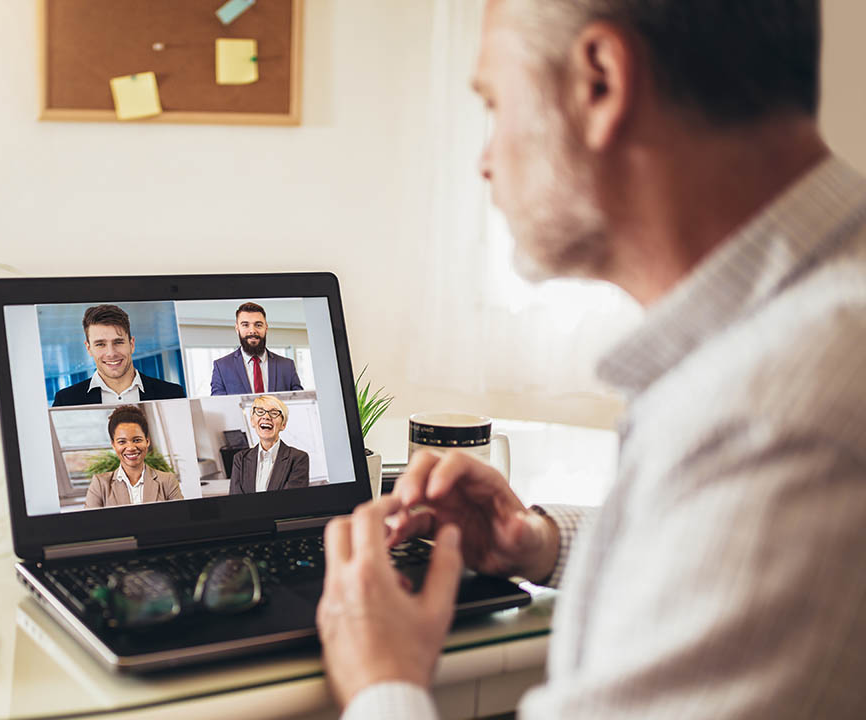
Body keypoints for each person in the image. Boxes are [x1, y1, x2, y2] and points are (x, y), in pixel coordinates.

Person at [318, 1, 866, 718]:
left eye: (496, 104)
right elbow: (714, 554)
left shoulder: (774, 418)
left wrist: (380, 679)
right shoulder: (799, 336)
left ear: (601, 82)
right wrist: (540, 544)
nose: (485, 160)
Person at [52, 304, 186, 406]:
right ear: (89, 349)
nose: (111, 353)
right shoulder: (66, 400)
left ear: (131, 344)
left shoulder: (172, 394)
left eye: (118, 342)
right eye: (100, 344)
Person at [84, 405, 183, 509]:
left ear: (147, 441)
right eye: (122, 442)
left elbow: (181, 519)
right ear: (113, 445)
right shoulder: (100, 484)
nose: (131, 448)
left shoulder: (167, 481)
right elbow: (90, 523)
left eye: (137, 440)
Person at [209, 302, 304, 395]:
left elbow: (301, 403)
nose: (252, 331)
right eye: (245, 325)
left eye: (258, 325)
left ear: (266, 328)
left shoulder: (287, 366)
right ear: (237, 329)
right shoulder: (221, 367)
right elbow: (218, 406)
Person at [229, 395, 310, 494]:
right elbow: (235, 502)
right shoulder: (240, 459)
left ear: (283, 425)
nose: (266, 417)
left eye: (274, 413)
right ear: (252, 421)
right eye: (260, 411)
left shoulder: (298, 458)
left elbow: (291, 501)